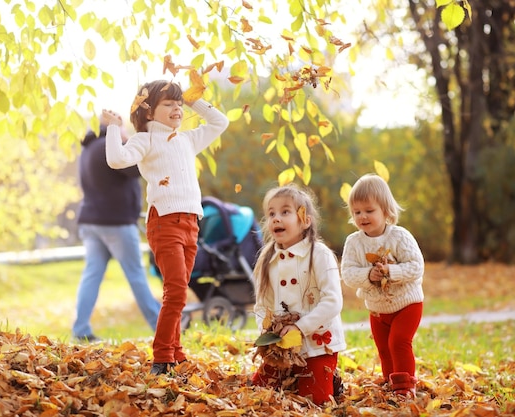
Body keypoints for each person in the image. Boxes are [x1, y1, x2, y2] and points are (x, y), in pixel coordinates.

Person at [102, 80, 229, 375]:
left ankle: (176, 351)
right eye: (168, 104)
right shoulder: (145, 140)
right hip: (165, 223)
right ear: (148, 112)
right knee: (176, 292)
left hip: (190, 224)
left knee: (180, 289)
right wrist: (113, 127)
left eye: (179, 104)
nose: (177, 109)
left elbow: (220, 121)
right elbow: (116, 159)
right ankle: (162, 358)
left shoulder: (186, 140)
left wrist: (191, 96)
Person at [251, 184, 346, 405]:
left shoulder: (319, 254)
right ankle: (292, 376)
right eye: (271, 213)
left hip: (318, 344)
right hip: (281, 347)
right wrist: (267, 335)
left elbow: (333, 301)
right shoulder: (266, 260)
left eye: (285, 212)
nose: (276, 218)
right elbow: (261, 306)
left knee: (314, 400)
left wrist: (300, 327)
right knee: (259, 394)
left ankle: (329, 379)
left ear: (305, 220)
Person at [73, 115, 161, 342]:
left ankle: (81, 329)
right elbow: (136, 169)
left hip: (91, 222)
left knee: (91, 274)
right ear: (113, 128)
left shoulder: (89, 148)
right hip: (116, 223)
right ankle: (162, 327)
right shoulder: (108, 146)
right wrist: (131, 142)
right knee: (136, 275)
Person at [340, 173, 424, 398]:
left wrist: (391, 271)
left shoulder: (399, 236)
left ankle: (405, 386)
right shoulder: (354, 242)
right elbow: (347, 274)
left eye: (369, 210)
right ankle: (390, 383)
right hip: (378, 308)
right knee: (384, 348)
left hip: (407, 303)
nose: (362, 216)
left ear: (386, 211)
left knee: (399, 342)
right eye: (357, 212)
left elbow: (416, 266)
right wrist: (370, 274)